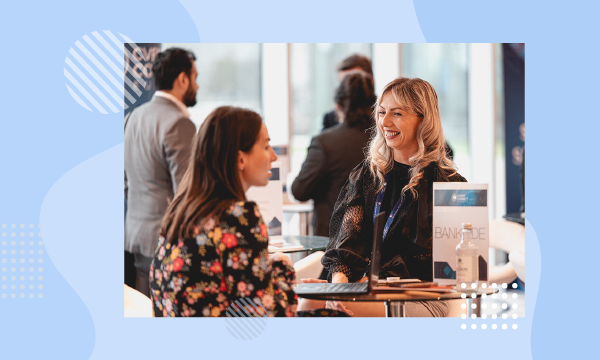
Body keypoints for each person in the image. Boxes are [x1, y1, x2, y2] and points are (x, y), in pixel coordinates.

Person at [298, 77, 466, 317]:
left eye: (397, 114)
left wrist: (364, 286)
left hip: (422, 296)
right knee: (311, 302)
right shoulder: (366, 176)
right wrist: (339, 284)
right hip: (364, 287)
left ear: (423, 120)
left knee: (329, 307)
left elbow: (438, 267)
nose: (384, 122)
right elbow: (346, 240)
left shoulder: (449, 185)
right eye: (381, 112)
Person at [124, 48, 198, 297]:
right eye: (195, 77)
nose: (197, 85)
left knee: (144, 310)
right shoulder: (180, 122)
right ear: (182, 79)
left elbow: (126, 180)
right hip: (166, 240)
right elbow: (187, 193)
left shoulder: (133, 116)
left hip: (136, 234)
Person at [292, 70, 375, 237]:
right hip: (375, 240)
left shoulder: (325, 143)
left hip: (333, 242)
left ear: (338, 105)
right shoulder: (383, 142)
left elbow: (299, 190)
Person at [322, 54, 374, 130]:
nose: (349, 89)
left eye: (355, 82)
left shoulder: (385, 114)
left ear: (371, 81)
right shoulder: (331, 118)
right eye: (343, 84)